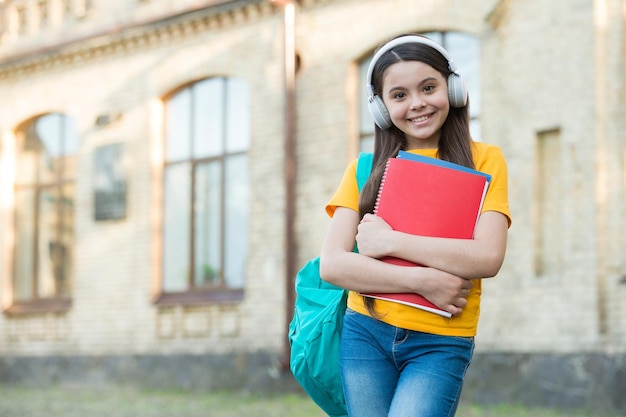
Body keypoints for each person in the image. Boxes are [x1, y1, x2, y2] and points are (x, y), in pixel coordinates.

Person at [319, 34, 511, 417]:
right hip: (365, 335)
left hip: (440, 342)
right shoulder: (362, 169)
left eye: (428, 87)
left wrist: (391, 241)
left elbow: (487, 257)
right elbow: (334, 265)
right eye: (399, 95)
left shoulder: (485, 160)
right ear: (381, 107)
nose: (417, 103)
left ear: (453, 89)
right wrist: (424, 281)